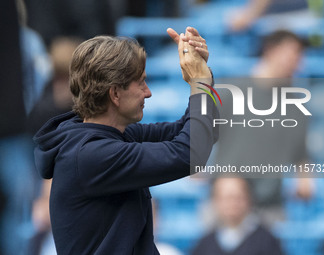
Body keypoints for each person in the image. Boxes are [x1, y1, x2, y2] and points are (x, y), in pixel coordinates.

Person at [33, 27, 218, 254]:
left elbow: (200, 132)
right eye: (140, 82)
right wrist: (199, 83)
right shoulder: (92, 154)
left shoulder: (107, 137)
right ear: (115, 94)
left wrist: (203, 77)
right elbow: (190, 153)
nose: (148, 92)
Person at [212, 30, 308, 225]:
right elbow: (201, 133)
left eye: (299, 56)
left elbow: (301, 153)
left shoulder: (296, 105)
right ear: (270, 51)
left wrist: (305, 178)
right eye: (292, 54)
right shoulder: (233, 90)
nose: (296, 63)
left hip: (270, 207)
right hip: (227, 202)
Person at [191, 178, 283, 255]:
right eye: (226, 198)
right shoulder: (205, 244)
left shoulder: (267, 241)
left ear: (249, 199)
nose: (232, 203)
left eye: (237, 197)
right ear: (215, 201)